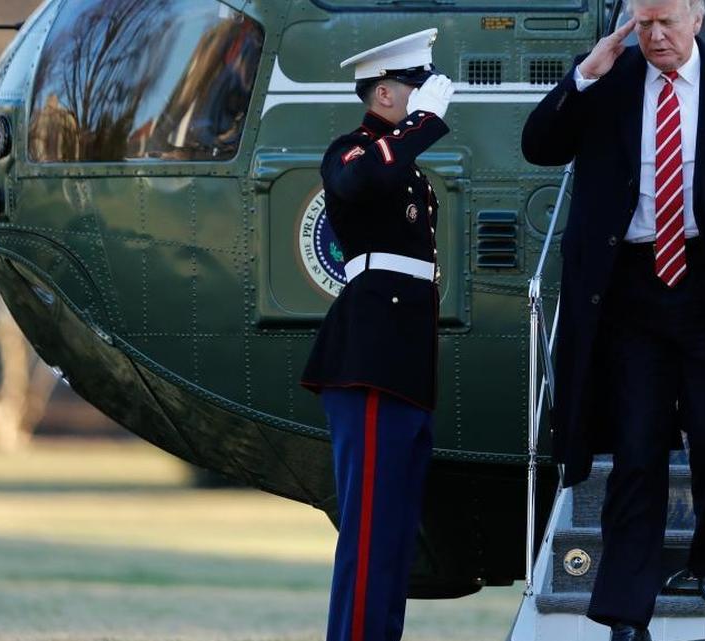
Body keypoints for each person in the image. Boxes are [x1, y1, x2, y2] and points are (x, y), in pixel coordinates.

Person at [521, 0, 705, 638]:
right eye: (643, 23)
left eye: (667, 22)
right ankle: (624, 612)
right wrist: (583, 76)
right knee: (637, 449)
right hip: (630, 291)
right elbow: (539, 146)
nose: (654, 36)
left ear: (697, 19)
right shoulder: (608, 79)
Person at [299, 28, 454, 641]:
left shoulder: (401, 163)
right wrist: (422, 127)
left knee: (393, 529)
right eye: (414, 88)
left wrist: (413, 135)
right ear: (386, 92)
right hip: (368, 356)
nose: (426, 100)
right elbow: (361, 184)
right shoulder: (353, 151)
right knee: (367, 529)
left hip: (405, 358)